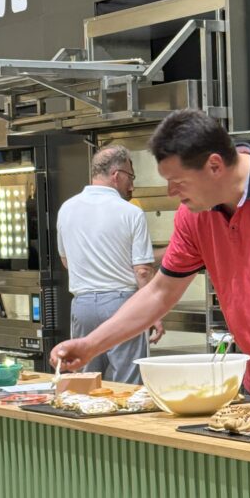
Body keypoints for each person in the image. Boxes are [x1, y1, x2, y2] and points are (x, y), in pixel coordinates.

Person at [51, 110, 250, 402]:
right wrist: (91, 345)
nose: (171, 193)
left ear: (214, 166)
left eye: (178, 182)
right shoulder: (194, 214)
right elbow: (161, 292)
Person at [56, 144, 164, 385]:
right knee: (128, 384)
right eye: (130, 177)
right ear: (116, 175)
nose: (132, 185)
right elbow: (143, 270)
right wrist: (152, 314)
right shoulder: (130, 212)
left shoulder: (66, 209)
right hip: (123, 304)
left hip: (82, 305)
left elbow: (66, 261)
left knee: (85, 382)